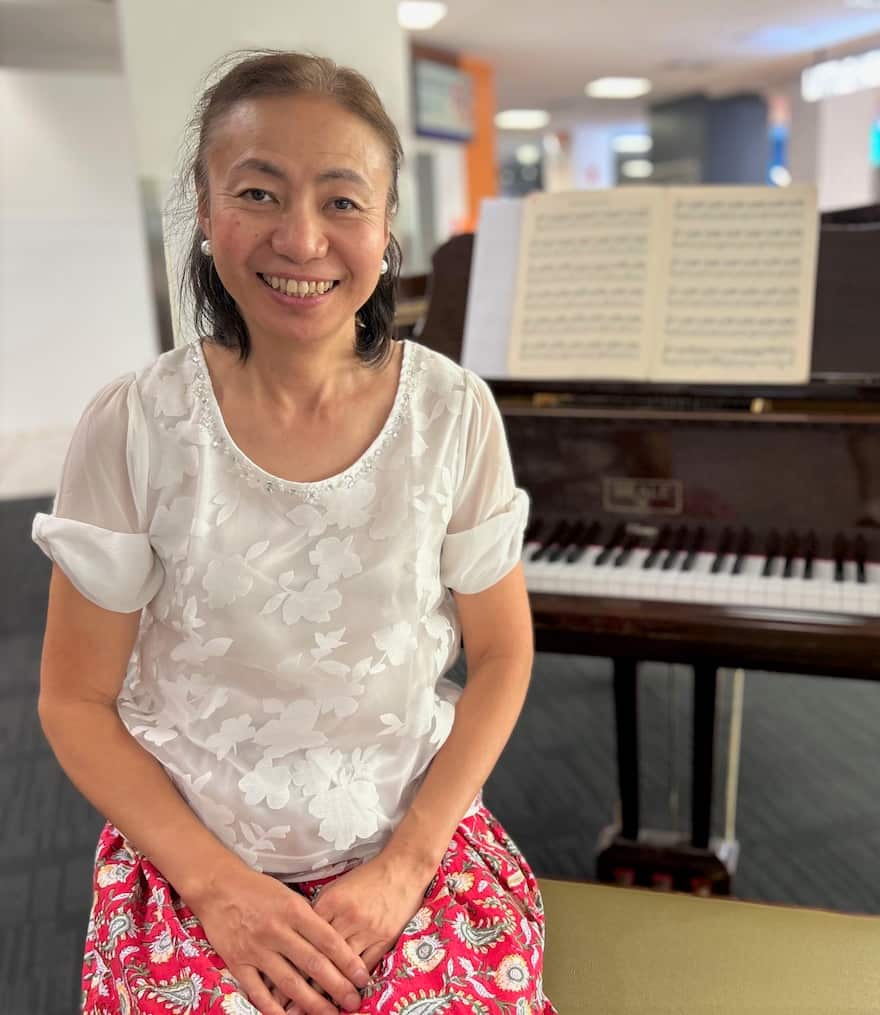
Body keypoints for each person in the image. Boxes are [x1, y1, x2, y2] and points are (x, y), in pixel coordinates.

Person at [33, 50, 554, 1015]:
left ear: (389, 222)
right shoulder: (134, 424)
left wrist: (408, 864)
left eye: (343, 202)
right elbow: (75, 700)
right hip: (195, 856)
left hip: (413, 842)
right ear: (204, 207)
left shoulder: (453, 412)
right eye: (259, 193)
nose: (301, 238)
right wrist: (219, 888)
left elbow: (501, 650)